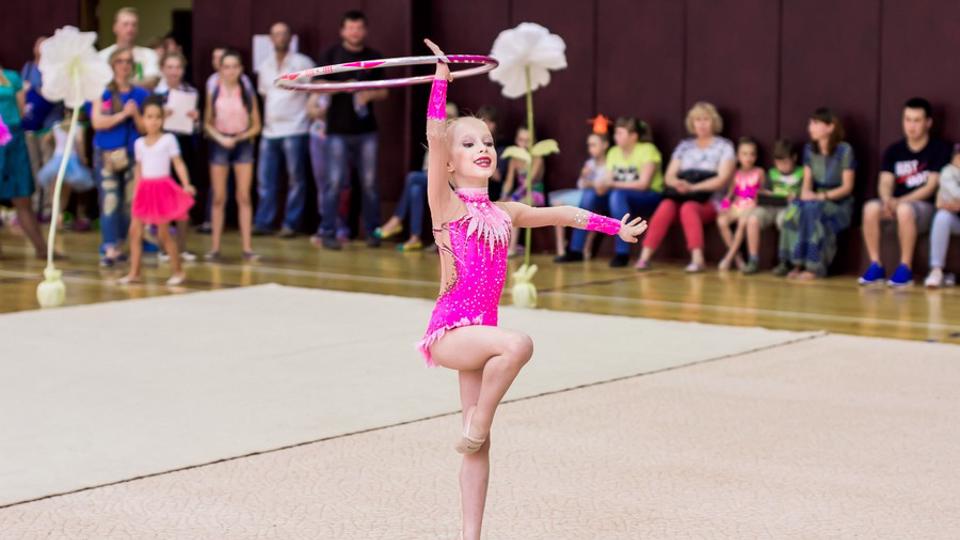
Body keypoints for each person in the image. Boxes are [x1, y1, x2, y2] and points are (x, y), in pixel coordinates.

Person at [417, 39, 647, 540]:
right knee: (519, 345)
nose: (483, 148)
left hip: (482, 334)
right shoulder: (446, 206)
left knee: (480, 448)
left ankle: (470, 534)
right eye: (468, 144)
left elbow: (564, 213)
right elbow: (435, 136)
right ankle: (478, 421)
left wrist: (616, 228)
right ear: (449, 163)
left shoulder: (507, 212)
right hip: (452, 332)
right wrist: (440, 81)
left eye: (487, 142)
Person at [858, 97, 952, 287]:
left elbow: (930, 187)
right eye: (907, 119)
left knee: (905, 210)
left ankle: (905, 267)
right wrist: (887, 200)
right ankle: (876, 265)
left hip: (925, 207)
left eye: (917, 120)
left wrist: (900, 201)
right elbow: (885, 181)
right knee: (870, 208)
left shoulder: (939, 149)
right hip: (896, 202)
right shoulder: (894, 150)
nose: (911, 126)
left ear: (928, 123)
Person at [316, 10, 389, 249]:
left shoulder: (374, 56)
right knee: (334, 182)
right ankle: (327, 232)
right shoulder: (331, 54)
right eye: (350, 28)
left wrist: (368, 93)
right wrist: (342, 86)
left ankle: (372, 232)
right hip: (337, 130)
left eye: (358, 28)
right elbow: (317, 84)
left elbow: (384, 90)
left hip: (366, 131)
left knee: (369, 183)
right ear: (342, 31)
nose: (354, 32)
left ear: (365, 31)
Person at [635, 102, 735, 272]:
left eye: (706, 119)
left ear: (714, 122)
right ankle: (644, 257)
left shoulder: (724, 146)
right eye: (698, 120)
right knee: (666, 205)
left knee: (689, 208)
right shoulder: (685, 146)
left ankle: (697, 258)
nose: (701, 124)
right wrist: (678, 184)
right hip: (682, 194)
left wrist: (693, 187)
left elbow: (722, 179)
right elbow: (669, 176)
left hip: (711, 200)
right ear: (692, 123)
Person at [556, 117, 663, 266]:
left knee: (617, 195)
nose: (615, 137)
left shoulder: (648, 150)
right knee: (590, 195)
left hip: (648, 197)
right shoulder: (613, 152)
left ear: (633, 136)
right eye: (615, 133)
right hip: (618, 196)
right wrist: (600, 185)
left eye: (620, 133)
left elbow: (643, 184)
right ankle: (575, 250)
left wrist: (612, 184)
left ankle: (622, 253)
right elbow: (608, 179)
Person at [119, 98, 195, 286]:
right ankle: (134, 272)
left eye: (157, 117)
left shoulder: (168, 140)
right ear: (142, 119)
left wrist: (186, 184)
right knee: (134, 232)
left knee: (163, 234)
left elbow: (178, 163)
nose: (153, 121)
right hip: (144, 190)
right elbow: (139, 169)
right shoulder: (139, 143)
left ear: (162, 119)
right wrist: (136, 192)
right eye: (149, 117)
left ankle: (178, 271)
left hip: (162, 190)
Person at [777, 107, 856, 280]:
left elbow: (847, 187)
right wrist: (804, 195)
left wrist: (821, 197)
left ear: (830, 127)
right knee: (794, 209)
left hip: (838, 203)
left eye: (815, 123)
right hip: (815, 199)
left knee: (814, 210)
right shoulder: (809, 150)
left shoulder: (845, 150)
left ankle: (814, 267)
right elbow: (807, 184)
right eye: (810, 123)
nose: (810, 127)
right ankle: (793, 262)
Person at [254, 22, 314, 237]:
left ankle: (291, 224)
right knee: (265, 181)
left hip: (295, 128)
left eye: (283, 33)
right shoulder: (265, 65)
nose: (280, 37)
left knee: (296, 180)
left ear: (290, 37)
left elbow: (315, 92)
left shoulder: (303, 63)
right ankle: (264, 222)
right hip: (270, 131)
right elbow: (265, 95)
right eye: (276, 34)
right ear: (270, 39)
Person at [90, 47, 148, 267]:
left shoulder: (140, 94)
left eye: (128, 61)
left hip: (132, 154)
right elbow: (97, 122)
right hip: (106, 154)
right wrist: (123, 114)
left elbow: (145, 128)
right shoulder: (102, 92)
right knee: (110, 200)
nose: (124, 65)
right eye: (120, 61)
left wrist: (135, 115)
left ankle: (124, 244)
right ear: (112, 65)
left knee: (130, 202)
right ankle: (110, 247)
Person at [375, 101, 460, 251]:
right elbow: (427, 166)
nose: (446, 119)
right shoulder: (436, 136)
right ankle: (415, 238)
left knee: (412, 177)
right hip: (431, 179)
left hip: (448, 182)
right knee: (415, 189)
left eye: (450, 116)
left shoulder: (457, 139)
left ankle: (396, 220)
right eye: (443, 116)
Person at [203, 49, 262, 262]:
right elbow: (207, 123)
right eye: (226, 67)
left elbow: (256, 125)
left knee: (243, 196)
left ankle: (247, 248)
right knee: (219, 197)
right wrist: (221, 138)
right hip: (220, 142)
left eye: (235, 67)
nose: (230, 71)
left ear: (241, 69)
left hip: (242, 142)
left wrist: (239, 138)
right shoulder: (214, 90)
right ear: (220, 69)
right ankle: (215, 247)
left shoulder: (246, 91)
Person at [155, 51, 200, 262]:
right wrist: (161, 117)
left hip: (184, 147)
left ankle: (182, 246)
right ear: (163, 69)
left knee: (183, 196)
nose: (174, 72)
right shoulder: (156, 94)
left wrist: (195, 119)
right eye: (170, 67)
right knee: (163, 198)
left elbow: (196, 128)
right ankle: (164, 247)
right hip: (162, 149)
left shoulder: (190, 92)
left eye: (178, 67)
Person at [0, 64, 49, 259]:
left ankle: (42, 249)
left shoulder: (12, 77)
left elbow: (21, 110)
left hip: (14, 141)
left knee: (22, 198)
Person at [549, 131, 608, 258]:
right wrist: (585, 177)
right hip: (583, 194)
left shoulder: (609, 164)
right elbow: (580, 184)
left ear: (605, 145)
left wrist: (590, 183)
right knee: (558, 204)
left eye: (594, 145)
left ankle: (585, 246)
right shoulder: (589, 164)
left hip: (596, 197)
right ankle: (561, 248)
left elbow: (601, 187)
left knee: (590, 206)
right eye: (589, 145)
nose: (590, 149)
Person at [748, 139, 802, 275]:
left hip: (790, 207)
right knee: (753, 219)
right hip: (771, 206)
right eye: (778, 163)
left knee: (783, 220)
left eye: (785, 162)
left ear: (794, 158)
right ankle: (753, 260)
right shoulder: (772, 173)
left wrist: (796, 196)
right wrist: (763, 195)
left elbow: (805, 193)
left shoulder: (802, 173)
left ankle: (785, 261)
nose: (781, 166)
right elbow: (765, 191)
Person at [37, 110, 95, 227]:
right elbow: (79, 143)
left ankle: (56, 214)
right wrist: (83, 158)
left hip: (57, 159)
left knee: (55, 189)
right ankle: (60, 214)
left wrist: (56, 144)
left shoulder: (57, 126)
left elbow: (46, 139)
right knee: (66, 190)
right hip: (71, 160)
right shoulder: (78, 127)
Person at [716, 137, 764, 271]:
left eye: (752, 154)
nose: (748, 158)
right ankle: (738, 258)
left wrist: (757, 201)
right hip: (737, 205)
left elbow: (763, 193)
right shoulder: (736, 173)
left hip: (751, 205)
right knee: (721, 221)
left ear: (756, 157)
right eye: (744, 154)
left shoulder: (759, 172)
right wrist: (724, 207)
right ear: (738, 156)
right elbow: (730, 194)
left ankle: (729, 257)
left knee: (742, 222)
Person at [98, 7, 161, 89]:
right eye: (125, 24)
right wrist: (136, 83)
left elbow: (152, 80)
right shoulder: (102, 56)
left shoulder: (149, 54)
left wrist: (118, 85)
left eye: (134, 25)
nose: (130, 29)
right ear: (115, 27)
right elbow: (99, 84)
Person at [924, 145, 960, 288]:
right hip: (956, 220)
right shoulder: (948, 172)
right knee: (942, 217)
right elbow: (943, 201)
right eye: (958, 156)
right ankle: (936, 270)